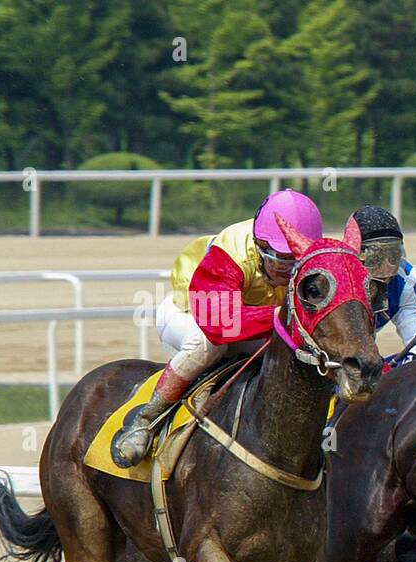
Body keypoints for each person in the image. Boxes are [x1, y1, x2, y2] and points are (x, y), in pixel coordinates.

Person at [112, 189, 323, 467]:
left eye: (299, 261)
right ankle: (145, 421)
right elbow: (220, 326)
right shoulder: (230, 251)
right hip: (192, 313)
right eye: (284, 262)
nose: (292, 271)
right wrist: (282, 315)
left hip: (253, 321)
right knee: (208, 346)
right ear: (261, 246)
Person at [350, 204, 416, 366]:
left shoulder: (405, 281)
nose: (387, 267)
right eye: (376, 257)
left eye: (393, 255)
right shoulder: (340, 280)